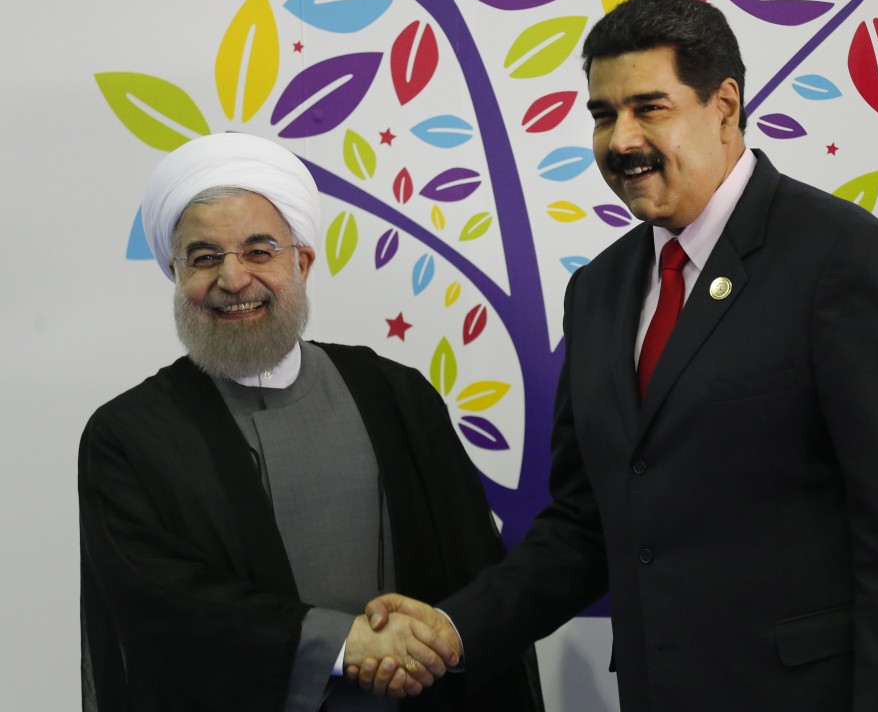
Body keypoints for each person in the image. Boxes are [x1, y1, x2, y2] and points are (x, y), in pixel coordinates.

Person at [358, 0, 878, 711]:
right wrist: (454, 627)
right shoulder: (599, 291)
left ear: (723, 106)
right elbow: (588, 523)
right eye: (601, 114)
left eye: (649, 107)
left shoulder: (844, 261)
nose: (620, 140)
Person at [78, 133, 543, 712]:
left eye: (258, 250)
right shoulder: (130, 436)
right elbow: (160, 605)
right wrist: (341, 643)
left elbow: (472, 565)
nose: (232, 279)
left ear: (301, 261)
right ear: (176, 274)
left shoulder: (396, 395)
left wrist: (429, 641)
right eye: (204, 258)